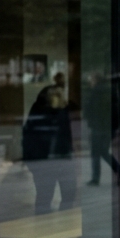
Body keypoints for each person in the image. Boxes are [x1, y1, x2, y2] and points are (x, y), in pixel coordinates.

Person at [22, 72, 77, 213]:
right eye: (59, 97)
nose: (63, 99)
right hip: (44, 162)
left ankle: (63, 225)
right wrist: (32, 162)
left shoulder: (62, 111)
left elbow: (67, 135)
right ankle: (43, 226)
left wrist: (70, 154)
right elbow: (29, 137)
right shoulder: (41, 111)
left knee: (68, 194)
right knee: (45, 196)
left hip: (63, 159)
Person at [83, 73, 120, 186]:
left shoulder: (95, 92)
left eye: (91, 80)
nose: (90, 82)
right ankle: (119, 170)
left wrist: (90, 120)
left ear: (96, 80)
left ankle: (95, 178)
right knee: (103, 151)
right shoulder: (112, 91)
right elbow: (118, 110)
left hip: (98, 127)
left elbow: (89, 110)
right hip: (109, 127)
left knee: (95, 152)